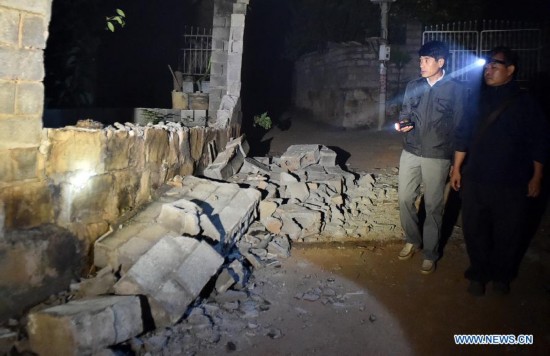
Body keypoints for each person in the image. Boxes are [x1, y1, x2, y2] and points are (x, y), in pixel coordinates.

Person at [450, 46, 550, 296]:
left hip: (511, 183)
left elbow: (540, 140)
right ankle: (478, 274)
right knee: (475, 230)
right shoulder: (477, 99)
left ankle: (501, 276)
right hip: (476, 180)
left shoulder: (526, 103)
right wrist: (456, 168)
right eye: (486, 65)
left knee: (508, 233)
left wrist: (537, 176)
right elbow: (463, 135)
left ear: (511, 70)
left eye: (495, 65)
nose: (488, 69)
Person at [396, 40, 467, 274]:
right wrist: (404, 124)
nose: (421, 65)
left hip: (438, 155)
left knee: (433, 206)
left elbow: (460, 128)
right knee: (405, 198)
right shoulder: (413, 85)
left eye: (426, 60)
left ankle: (430, 253)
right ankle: (412, 240)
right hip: (411, 151)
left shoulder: (456, 89)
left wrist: (457, 166)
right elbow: (405, 112)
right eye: (420, 60)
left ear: (440, 62)